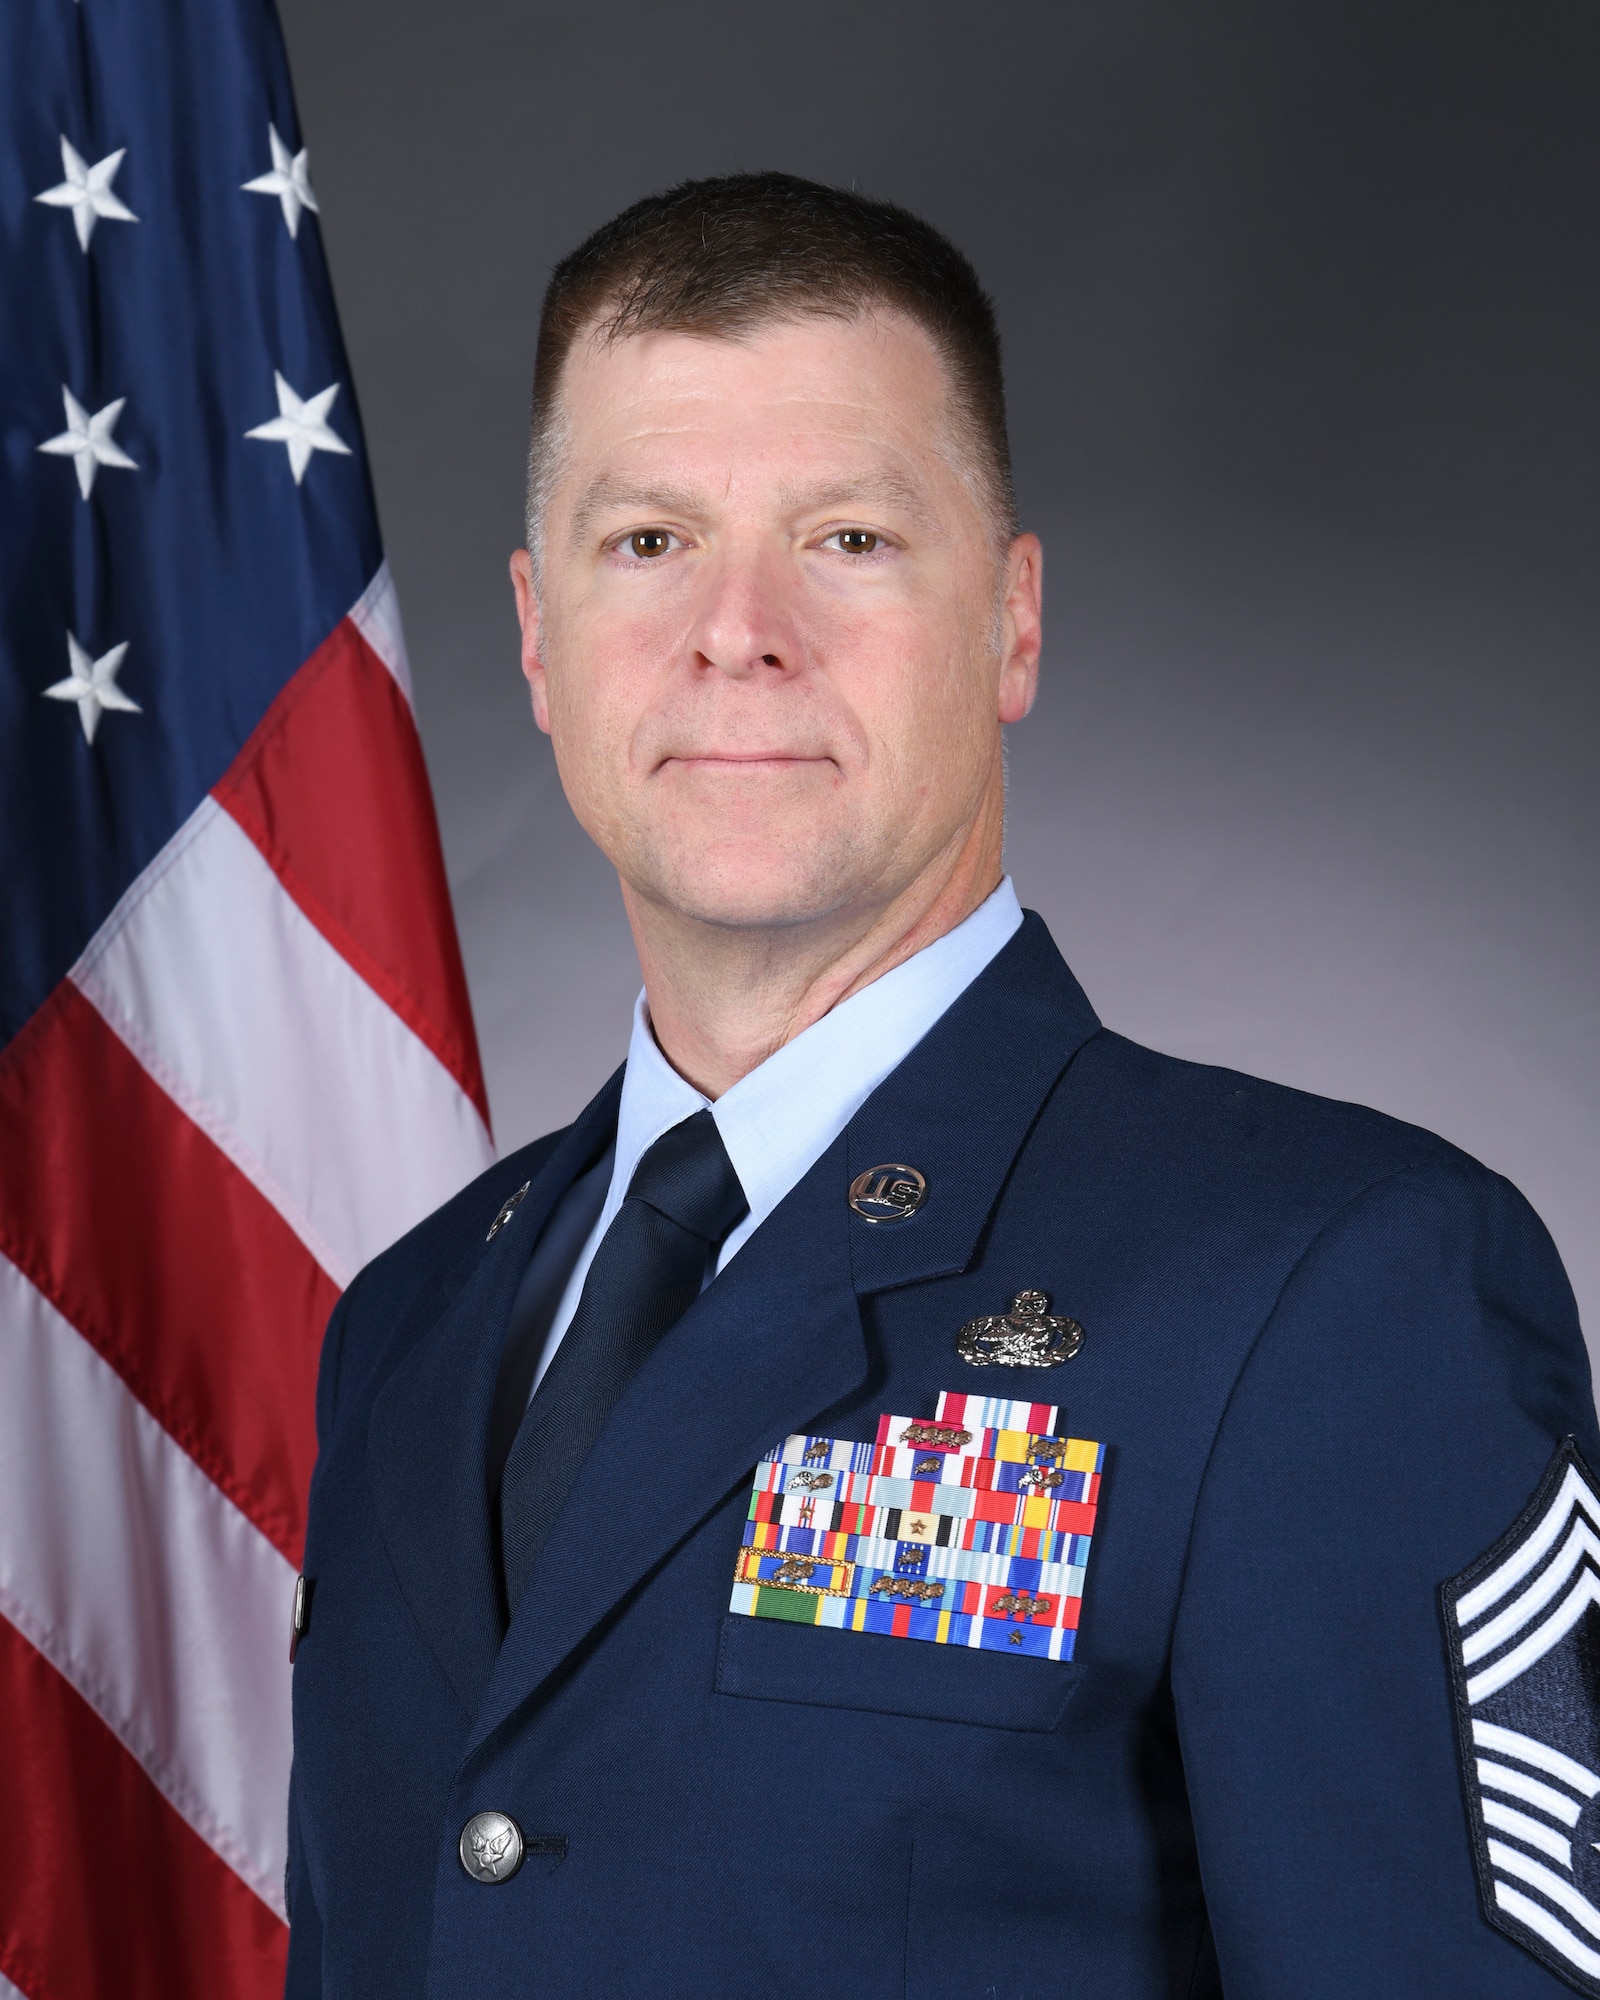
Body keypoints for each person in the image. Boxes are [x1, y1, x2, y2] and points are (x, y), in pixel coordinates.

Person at [284, 173, 1600, 1999]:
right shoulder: (410, 1323)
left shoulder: (1337, 1289)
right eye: (648, 540)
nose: (738, 630)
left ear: (1012, 623)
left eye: (849, 537)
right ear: (536, 638)